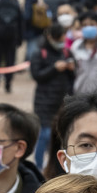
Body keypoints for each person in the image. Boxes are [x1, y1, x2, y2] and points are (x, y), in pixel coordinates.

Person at [30, 24, 75, 171]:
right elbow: (37, 75)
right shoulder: (39, 53)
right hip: (44, 100)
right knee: (44, 134)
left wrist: (71, 68)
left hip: (62, 100)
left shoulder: (66, 52)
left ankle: (54, 166)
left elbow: (73, 77)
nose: (62, 41)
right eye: (59, 38)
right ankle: (38, 166)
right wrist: (54, 68)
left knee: (59, 135)